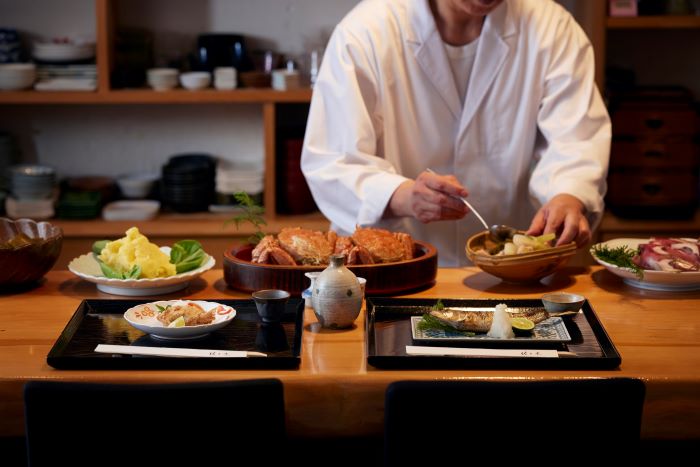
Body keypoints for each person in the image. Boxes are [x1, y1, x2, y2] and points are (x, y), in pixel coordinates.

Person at [301, 0, 610, 266]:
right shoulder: (365, 32)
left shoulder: (551, 29)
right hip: (389, 264)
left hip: (511, 267)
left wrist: (569, 195)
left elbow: (576, 137)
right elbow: (332, 159)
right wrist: (401, 196)